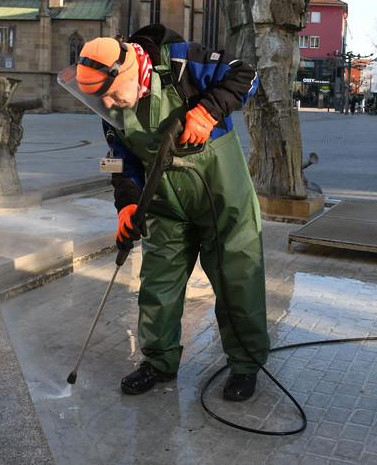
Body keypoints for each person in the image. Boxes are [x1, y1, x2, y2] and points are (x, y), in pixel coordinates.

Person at [59, 24, 270, 402]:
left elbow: (245, 74)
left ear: (128, 71)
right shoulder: (109, 106)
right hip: (164, 204)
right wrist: (126, 205)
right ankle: (158, 361)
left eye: (110, 94)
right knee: (157, 285)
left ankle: (245, 364)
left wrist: (207, 111)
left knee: (237, 279)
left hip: (222, 196)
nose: (108, 105)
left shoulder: (181, 63)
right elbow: (118, 161)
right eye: (99, 100)